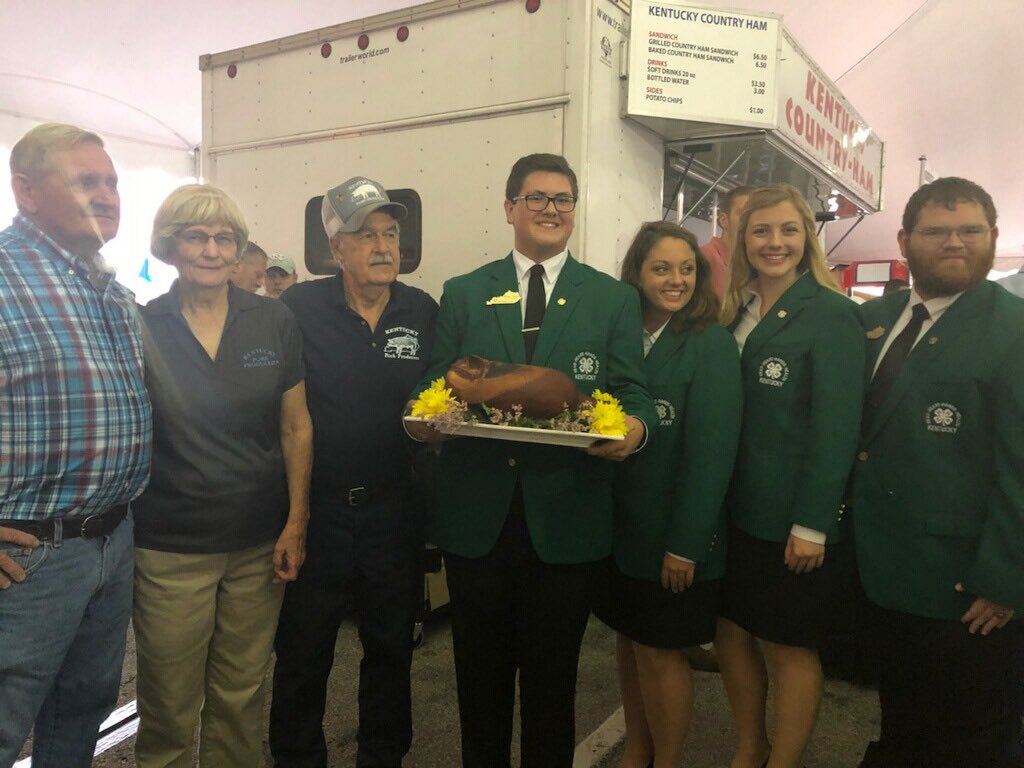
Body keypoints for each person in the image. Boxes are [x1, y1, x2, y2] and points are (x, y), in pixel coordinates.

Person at [406, 153, 656, 767]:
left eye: (563, 199)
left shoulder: (612, 299)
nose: (551, 209)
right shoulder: (465, 291)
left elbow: (632, 390)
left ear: (574, 211)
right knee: (479, 682)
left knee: (553, 685)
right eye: (537, 197)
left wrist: (636, 427)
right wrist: (428, 424)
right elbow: (439, 382)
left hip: (566, 519)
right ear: (511, 208)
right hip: (478, 521)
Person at [133, 184, 312, 768]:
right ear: (170, 245)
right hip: (170, 551)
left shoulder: (273, 320)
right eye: (195, 235)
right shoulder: (141, 326)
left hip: (258, 544)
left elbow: (295, 427)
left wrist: (296, 521)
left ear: (238, 251)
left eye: (224, 238)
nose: (211, 249)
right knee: (168, 704)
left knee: (241, 695)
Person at [853, 177, 1024, 767]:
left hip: (968, 588)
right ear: (904, 240)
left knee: (971, 733)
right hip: (889, 570)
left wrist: (1004, 579)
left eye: (971, 230)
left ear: (994, 239)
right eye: (937, 231)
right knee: (906, 714)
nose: (955, 242)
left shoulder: (1014, 329)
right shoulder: (878, 317)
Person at [269, 176, 438, 768]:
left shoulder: (421, 310)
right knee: (303, 653)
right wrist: (292, 517)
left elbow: (436, 399)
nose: (382, 246)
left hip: (394, 511)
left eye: (390, 233)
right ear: (335, 248)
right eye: (365, 235)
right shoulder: (298, 309)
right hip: (319, 511)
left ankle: (383, 757)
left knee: (391, 648)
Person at [0, 122, 152, 768]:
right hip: (29, 559)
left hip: (112, 545)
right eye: (86, 180)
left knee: (78, 723)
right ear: (27, 191)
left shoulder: (111, 293)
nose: (108, 194)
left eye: (112, 181)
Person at [715, 183, 864, 768]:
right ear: (741, 239)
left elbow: (837, 429)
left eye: (787, 231)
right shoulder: (737, 309)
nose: (774, 243)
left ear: (808, 239)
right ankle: (750, 749)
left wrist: (813, 522)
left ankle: (784, 761)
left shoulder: (831, 314)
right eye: (761, 231)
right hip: (737, 510)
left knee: (789, 646)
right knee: (731, 635)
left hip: (790, 520)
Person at [595, 221, 742, 768]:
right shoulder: (621, 333)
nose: (676, 280)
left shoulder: (711, 344)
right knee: (631, 647)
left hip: (671, 540)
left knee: (661, 655)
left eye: (686, 269)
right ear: (637, 273)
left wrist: (686, 544)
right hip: (620, 533)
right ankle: (637, 751)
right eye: (662, 268)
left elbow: (712, 456)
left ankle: (669, 760)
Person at [702, 185, 755, 298]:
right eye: (744, 214)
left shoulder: (752, 264)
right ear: (723, 220)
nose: (752, 221)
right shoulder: (704, 259)